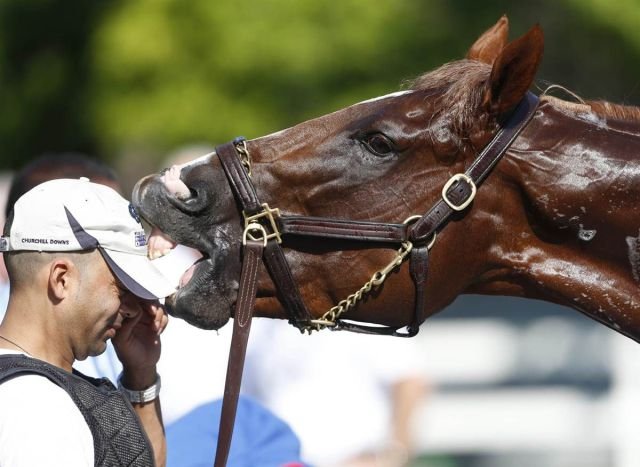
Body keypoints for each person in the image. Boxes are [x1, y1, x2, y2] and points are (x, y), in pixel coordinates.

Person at [0, 178, 176, 466]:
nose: (135, 310)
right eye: (122, 289)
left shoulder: (32, 395)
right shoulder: (37, 409)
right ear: (62, 279)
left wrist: (141, 374)